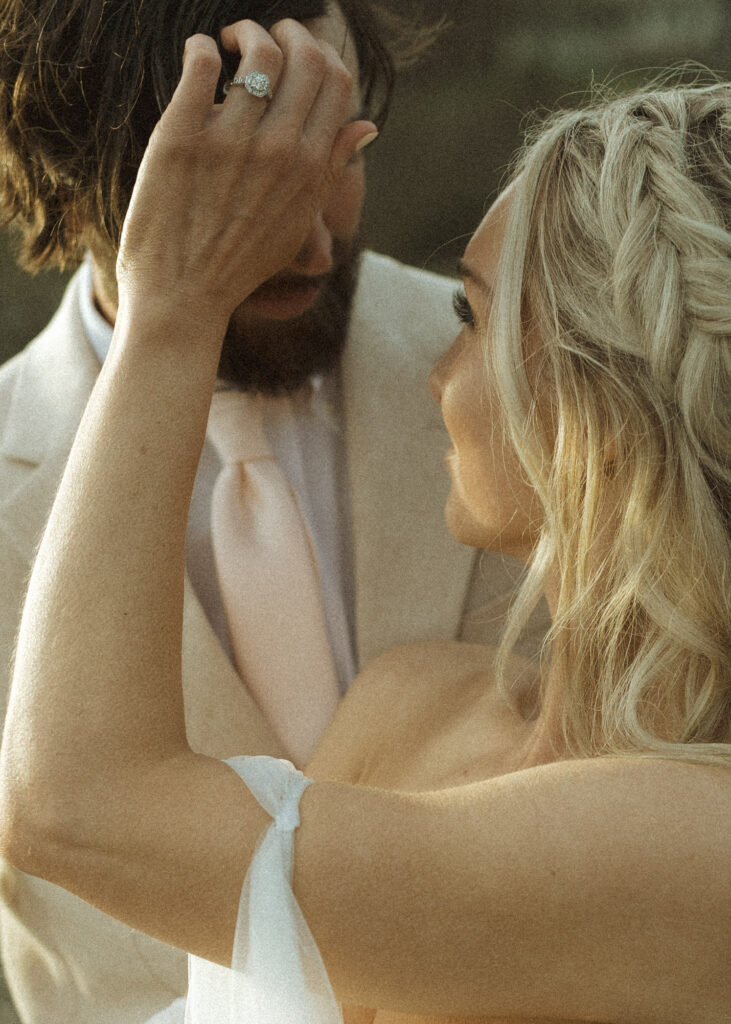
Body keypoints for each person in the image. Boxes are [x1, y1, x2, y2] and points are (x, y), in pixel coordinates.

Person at [1, 14, 729, 1022]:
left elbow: (84, 807)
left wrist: (172, 303)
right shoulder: (408, 703)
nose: (303, 225)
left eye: (331, 133)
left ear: (597, 405)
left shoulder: (684, 837)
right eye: (238, 157)